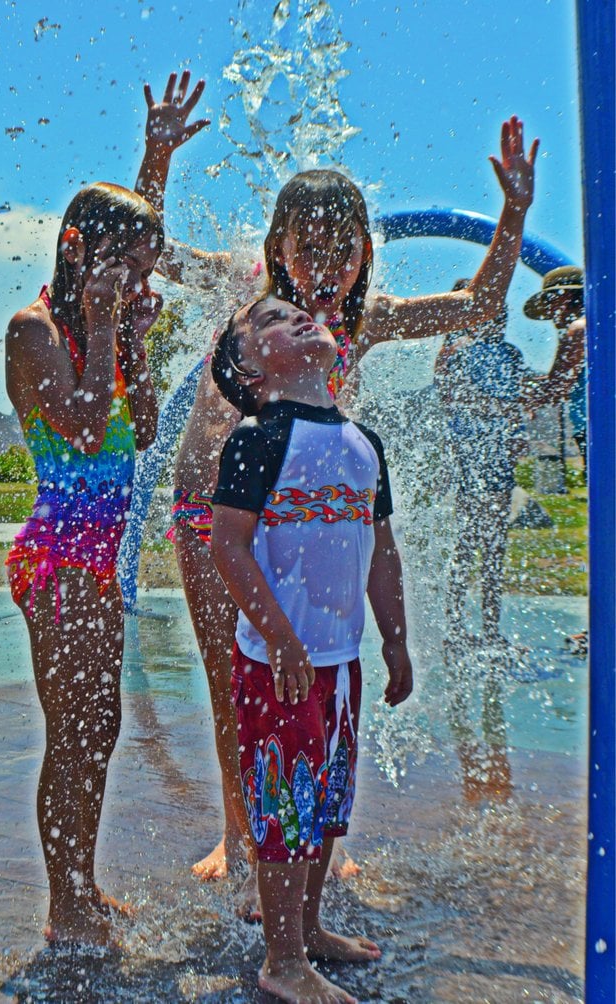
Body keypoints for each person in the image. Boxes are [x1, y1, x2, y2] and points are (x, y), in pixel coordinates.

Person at [135, 69, 538, 886]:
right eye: (306, 247)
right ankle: (240, 836)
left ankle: (316, 837)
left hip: (308, 527)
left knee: (320, 676)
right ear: (274, 248)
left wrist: (516, 212)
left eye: (341, 249)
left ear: (365, 252)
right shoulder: (240, 291)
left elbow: (477, 303)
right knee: (232, 679)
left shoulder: (367, 319)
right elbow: (150, 251)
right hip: (216, 517)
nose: (324, 265)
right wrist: (157, 159)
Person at [210, 295, 413, 1004]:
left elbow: (380, 551)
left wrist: (396, 639)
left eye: (296, 311)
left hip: (339, 661)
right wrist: (280, 638)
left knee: (325, 802)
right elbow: (228, 547)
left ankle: (312, 927)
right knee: (285, 807)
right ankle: (283, 959)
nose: (295, 317)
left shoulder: (363, 443)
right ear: (248, 367)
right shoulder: (258, 437)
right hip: (279, 666)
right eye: (269, 320)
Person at [5, 182, 164, 945]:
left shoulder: (103, 328)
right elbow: (86, 426)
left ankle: (82, 885)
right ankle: (63, 906)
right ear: (78, 253)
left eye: (145, 271)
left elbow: (151, 421)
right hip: (60, 562)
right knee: (71, 730)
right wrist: (105, 327)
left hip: (96, 566)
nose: (139, 286)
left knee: (102, 724)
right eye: (127, 268)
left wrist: (130, 335)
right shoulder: (34, 332)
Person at [435, 278, 585, 651]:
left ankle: (490, 630)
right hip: (470, 457)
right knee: (468, 544)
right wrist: (506, 408)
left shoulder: (511, 354)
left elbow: (524, 396)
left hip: (499, 457)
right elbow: (453, 397)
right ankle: (454, 628)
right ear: (467, 312)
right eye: (491, 307)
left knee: (495, 547)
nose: (499, 314)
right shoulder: (454, 350)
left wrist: (517, 425)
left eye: (501, 308)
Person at [523, 266, 586, 479]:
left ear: (565, 296)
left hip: (603, 430)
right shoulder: (598, 324)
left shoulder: (579, 329)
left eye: (549, 302)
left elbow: (558, 386)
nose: (548, 312)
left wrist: (531, 397)